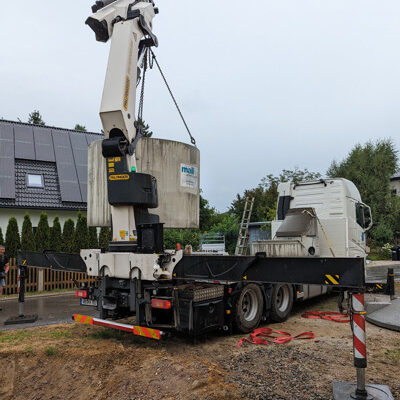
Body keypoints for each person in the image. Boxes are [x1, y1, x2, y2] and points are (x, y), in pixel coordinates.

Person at [0, 245, 9, 311]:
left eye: (3, 249)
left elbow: (7, 266)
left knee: (0, 289)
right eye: (1, 249)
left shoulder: (5, 257)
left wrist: (5, 273)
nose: (3, 251)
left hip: (1, 274)